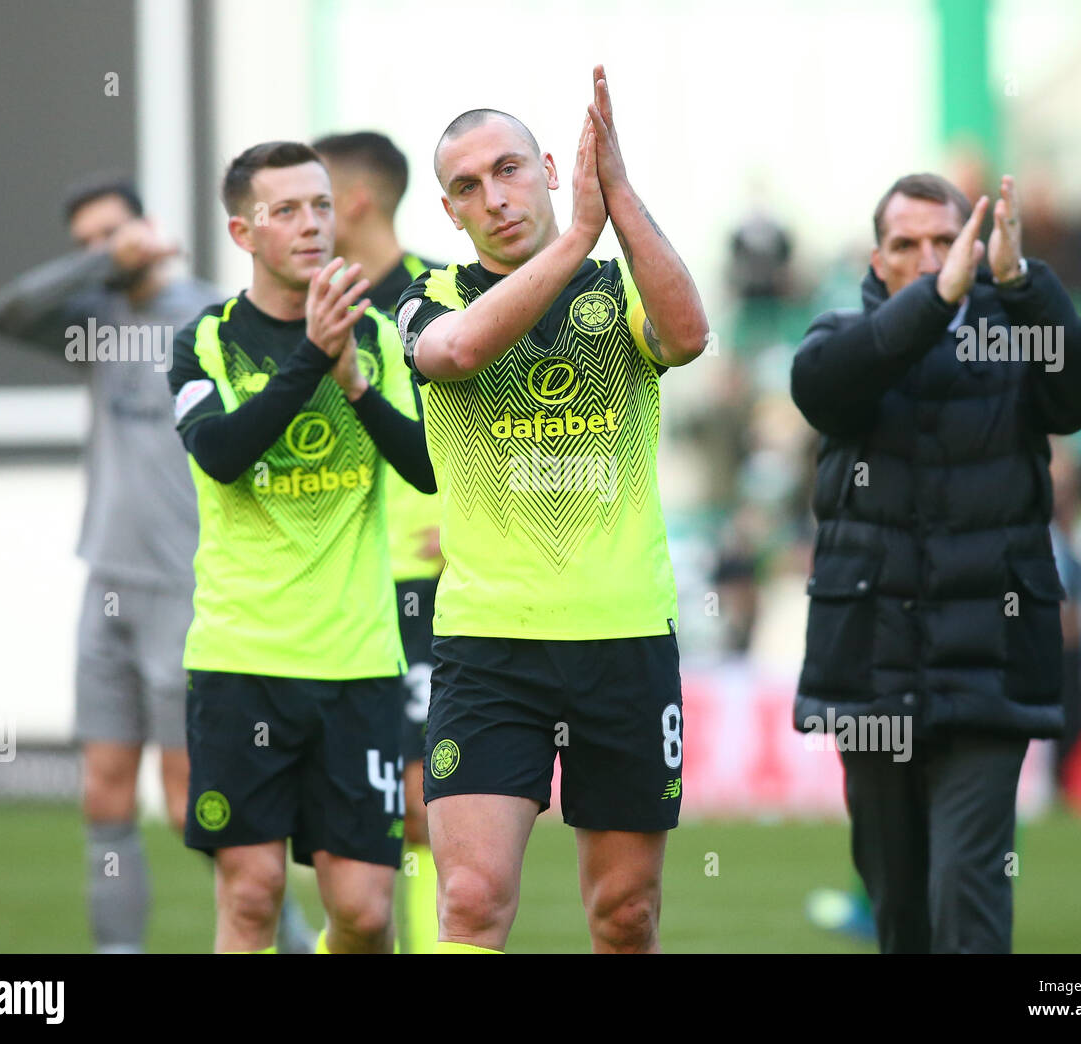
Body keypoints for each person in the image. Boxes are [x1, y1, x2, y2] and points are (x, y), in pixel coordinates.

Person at [397, 66, 710, 954]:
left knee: (625, 917)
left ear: (547, 167)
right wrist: (578, 233)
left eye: (508, 170)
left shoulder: (620, 288)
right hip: (489, 648)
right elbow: (452, 354)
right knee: (470, 899)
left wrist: (618, 196)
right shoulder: (428, 298)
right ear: (449, 211)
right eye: (467, 187)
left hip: (624, 639)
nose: (493, 197)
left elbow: (687, 336)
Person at [789, 172, 1081, 953]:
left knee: (963, 890)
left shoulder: (1015, 336)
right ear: (878, 260)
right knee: (898, 904)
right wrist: (936, 301)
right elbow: (829, 389)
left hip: (988, 673)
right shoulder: (839, 338)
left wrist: (1019, 282)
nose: (931, 257)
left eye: (948, 241)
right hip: (872, 672)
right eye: (908, 245)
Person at [0, 177, 314, 953]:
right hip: (106, 579)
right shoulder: (93, 322)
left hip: (184, 588)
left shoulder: (208, 316)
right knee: (102, 792)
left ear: (151, 228)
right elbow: (6, 313)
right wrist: (97, 263)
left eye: (114, 232)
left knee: (190, 800)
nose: (102, 249)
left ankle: (291, 937)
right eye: (87, 240)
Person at [167, 141, 435, 953]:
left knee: (363, 913)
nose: (311, 224)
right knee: (251, 896)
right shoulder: (204, 342)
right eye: (287, 210)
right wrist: (314, 358)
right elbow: (221, 452)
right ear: (244, 232)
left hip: (357, 665)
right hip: (242, 659)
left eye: (320, 205)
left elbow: (425, 466)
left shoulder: (382, 337)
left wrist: (353, 378)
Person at [313, 131, 444, 953]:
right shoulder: (311, 309)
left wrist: (470, 520)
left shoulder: (440, 296)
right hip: (336, 598)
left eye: (313, 196)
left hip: (427, 590)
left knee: (430, 808)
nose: (296, 214)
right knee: (363, 841)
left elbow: (505, 429)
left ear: (355, 201)